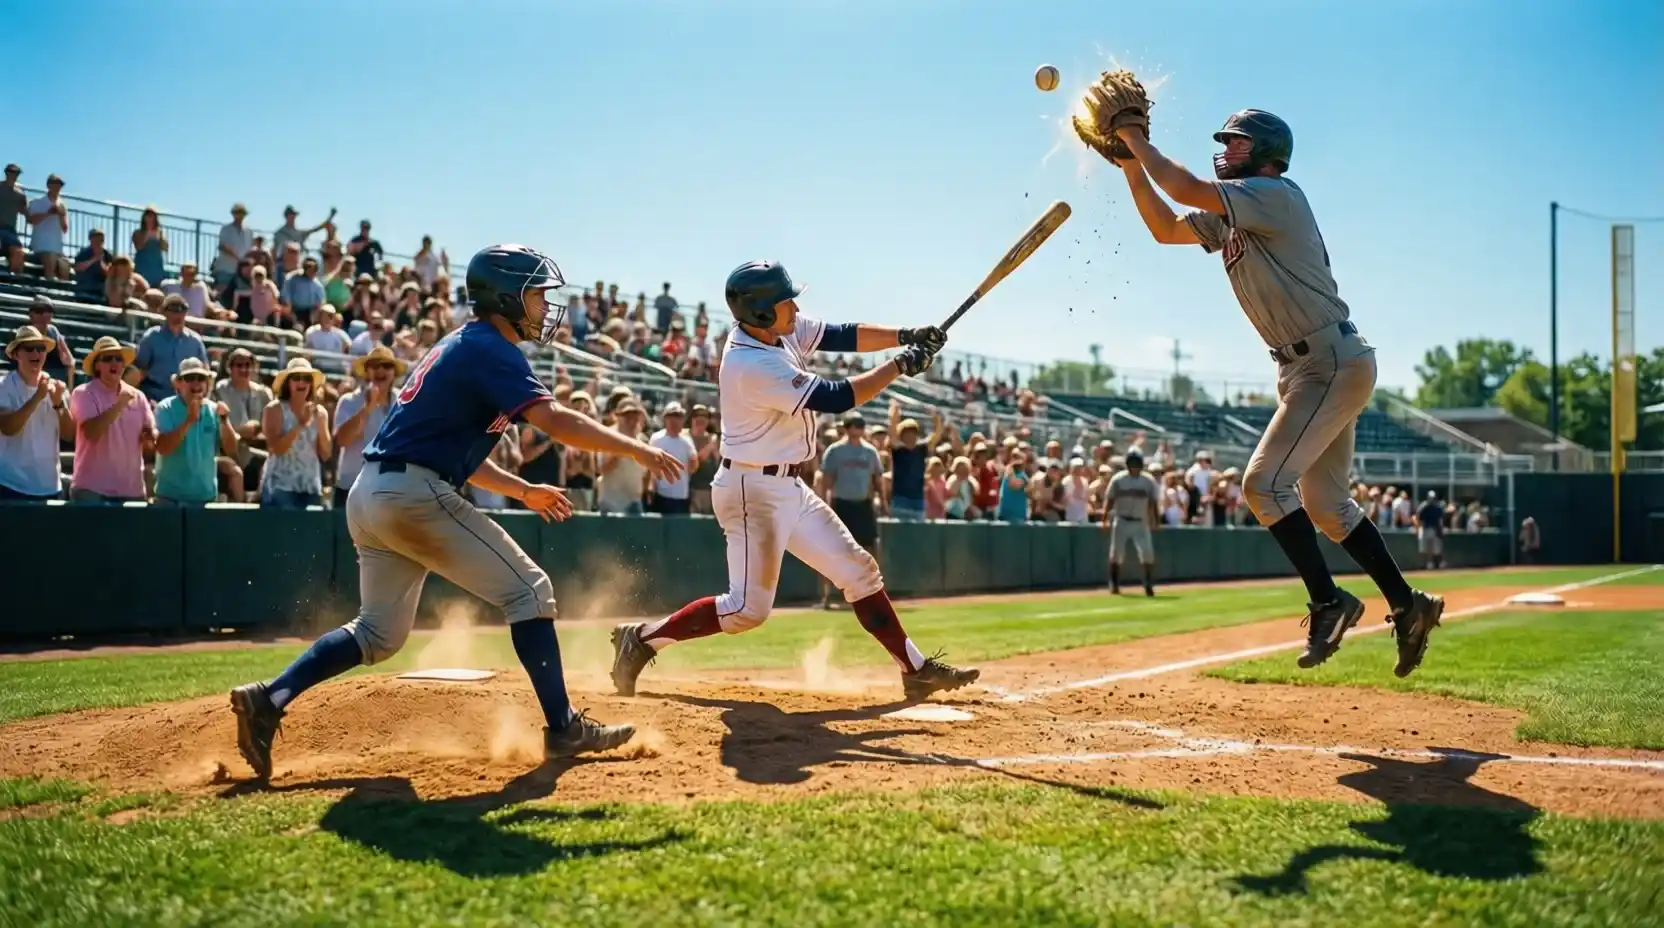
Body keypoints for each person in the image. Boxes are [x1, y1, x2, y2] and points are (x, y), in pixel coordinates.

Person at [227, 245, 685, 780]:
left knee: (378, 633)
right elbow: (554, 420)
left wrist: (520, 489)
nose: (544, 306)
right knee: (531, 592)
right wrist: (636, 448)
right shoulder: (492, 347)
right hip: (412, 493)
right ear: (506, 297)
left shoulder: (460, 345)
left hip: (374, 494)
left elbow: (453, 453)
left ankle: (269, 698)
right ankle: (564, 728)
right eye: (536, 294)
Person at [1101, 106, 1444, 677]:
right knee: (1328, 507)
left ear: (1263, 152)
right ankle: (1409, 606)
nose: (1225, 153)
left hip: (1327, 361)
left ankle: (1330, 601)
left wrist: (1135, 137)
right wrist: (1129, 163)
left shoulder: (1275, 193)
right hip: (1313, 366)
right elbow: (1165, 228)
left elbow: (1185, 185)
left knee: (1263, 484)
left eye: (1234, 144)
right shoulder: (1238, 211)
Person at [607, 260, 978, 702]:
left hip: (788, 486)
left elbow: (842, 334)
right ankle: (642, 639)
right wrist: (899, 365)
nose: (795, 307)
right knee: (747, 610)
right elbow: (836, 398)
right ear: (762, 311)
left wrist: (907, 335)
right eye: (786, 301)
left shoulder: (777, 329)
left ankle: (914, 669)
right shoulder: (750, 362)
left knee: (859, 571)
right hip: (752, 492)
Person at [1103, 448, 1160, 596]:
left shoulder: (1148, 480)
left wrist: (1156, 521)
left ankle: (1148, 584)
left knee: (1147, 553)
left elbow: (1153, 503)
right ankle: (1114, 584)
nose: (1134, 466)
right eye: (1132, 463)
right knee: (1116, 554)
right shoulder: (1118, 479)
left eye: (1137, 463)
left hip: (1140, 521)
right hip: (1121, 519)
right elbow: (1109, 500)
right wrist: (1104, 519)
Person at [1415, 491, 1446, 570]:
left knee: (1436, 548)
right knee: (1425, 548)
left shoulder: (1438, 508)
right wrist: (1418, 527)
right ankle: (1428, 563)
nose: (1432, 500)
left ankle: (1439, 563)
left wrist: (1441, 530)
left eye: (1433, 498)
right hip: (1425, 528)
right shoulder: (1424, 506)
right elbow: (1418, 517)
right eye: (1431, 498)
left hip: (1434, 529)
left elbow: (1440, 520)